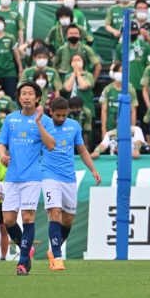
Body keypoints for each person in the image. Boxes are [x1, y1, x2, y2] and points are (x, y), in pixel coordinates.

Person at [0, 81, 55, 275]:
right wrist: (3, 154)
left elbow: (51, 145)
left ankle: (22, 263)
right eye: (24, 94)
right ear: (19, 98)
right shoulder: (11, 119)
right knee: (9, 221)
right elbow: (1, 143)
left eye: (31, 94)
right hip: (12, 176)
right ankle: (26, 249)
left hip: (32, 176)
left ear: (38, 98)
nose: (27, 97)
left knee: (27, 217)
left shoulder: (44, 120)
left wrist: (38, 123)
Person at [41, 97, 101, 271]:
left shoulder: (74, 126)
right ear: (51, 112)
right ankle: (58, 258)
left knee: (67, 221)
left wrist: (93, 170)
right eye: (57, 115)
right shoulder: (43, 125)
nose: (60, 118)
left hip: (69, 178)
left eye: (63, 115)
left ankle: (53, 250)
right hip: (50, 175)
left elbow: (82, 151)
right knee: (55, 212)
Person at [99, 62, 139, 138]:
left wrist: (133, 128)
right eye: (118, 71)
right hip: (110, 127)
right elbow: (103, 111)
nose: (120, 73)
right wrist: (103, 130)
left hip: (126, 127)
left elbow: (133, 110)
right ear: (113, 73)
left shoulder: (130, 89)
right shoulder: (107, 89)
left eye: (122, 72)